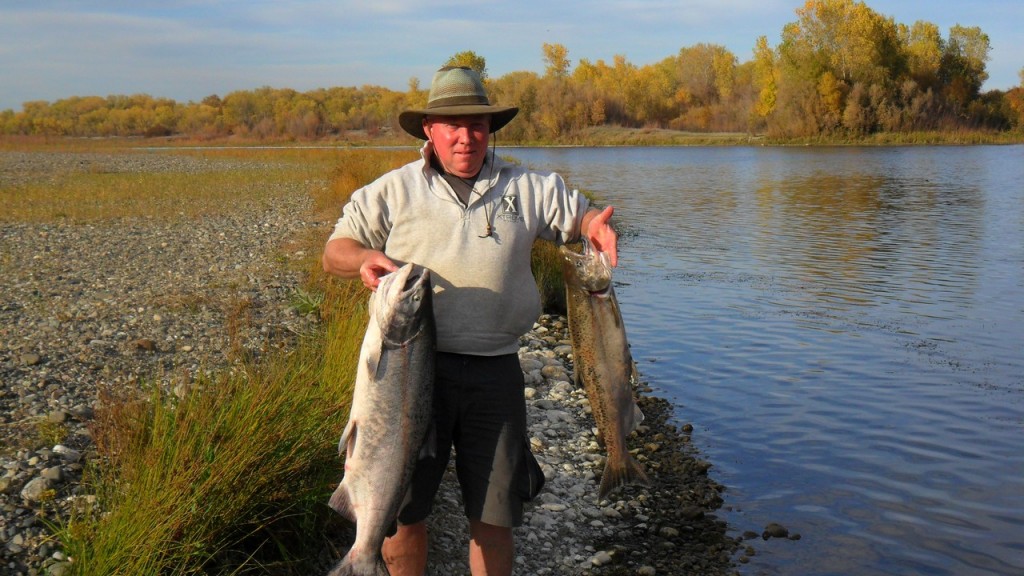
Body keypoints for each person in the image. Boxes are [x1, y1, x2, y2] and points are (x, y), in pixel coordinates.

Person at [322, 65, 618, 576]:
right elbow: (336, 252)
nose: (466, 137)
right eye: (452, 126)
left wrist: (596, 228)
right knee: (402, 516)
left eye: (477, 125)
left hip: (494, 374)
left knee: (494, 516)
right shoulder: (393, 191)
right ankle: (365, 559)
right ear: (429, 132)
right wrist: (364, 259)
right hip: (408, 374)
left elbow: (582, 216)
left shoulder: (528, 187)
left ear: (490, 130)